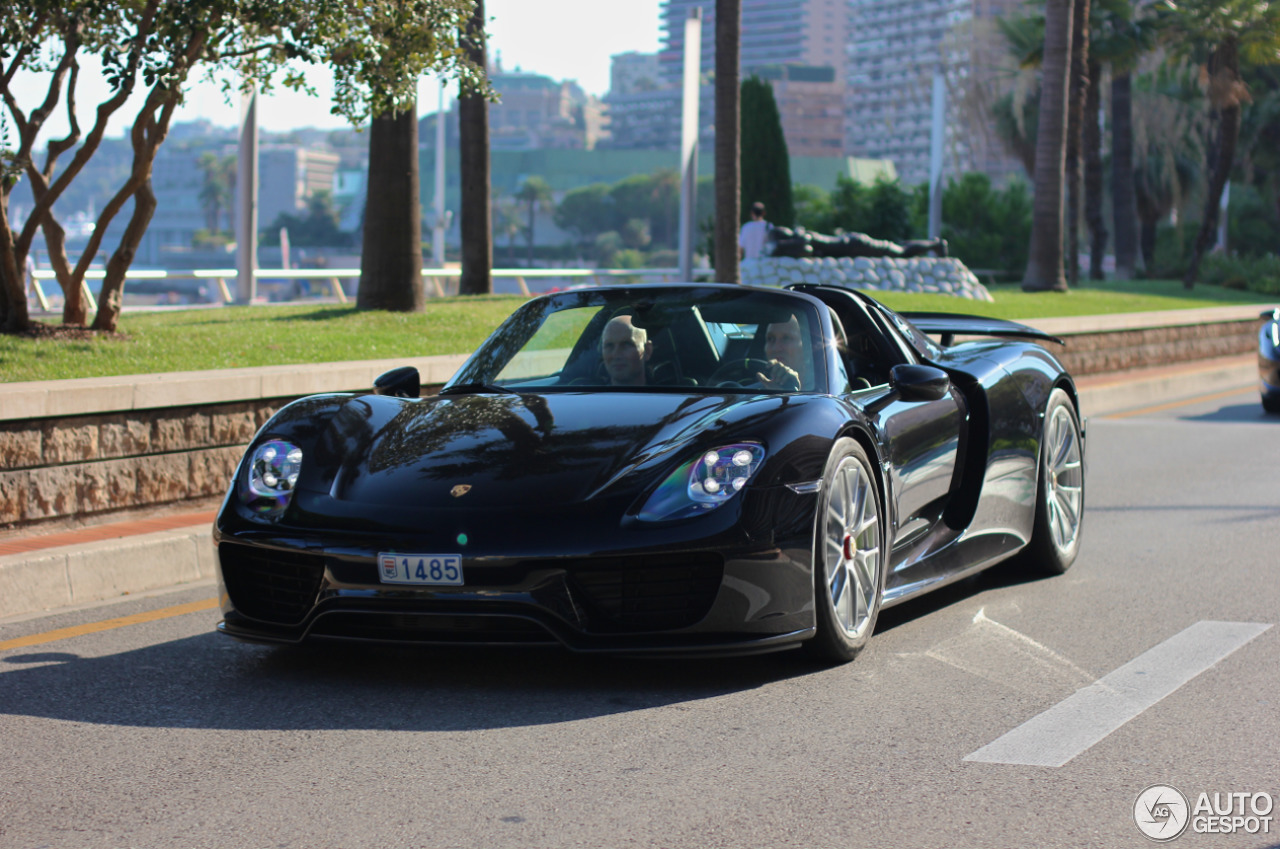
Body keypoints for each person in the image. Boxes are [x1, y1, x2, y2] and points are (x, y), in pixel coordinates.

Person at [753, 314, 812, 391]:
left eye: (786, 338)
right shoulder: (752, 390)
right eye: (770, 339)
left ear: (807, 348)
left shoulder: (824, 389)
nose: (776, 348)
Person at [600, 315, 652, 386]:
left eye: (626, 345)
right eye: (609, 346)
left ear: (647, 350)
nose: (616, 354)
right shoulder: (587, 393)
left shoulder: (666, 395)